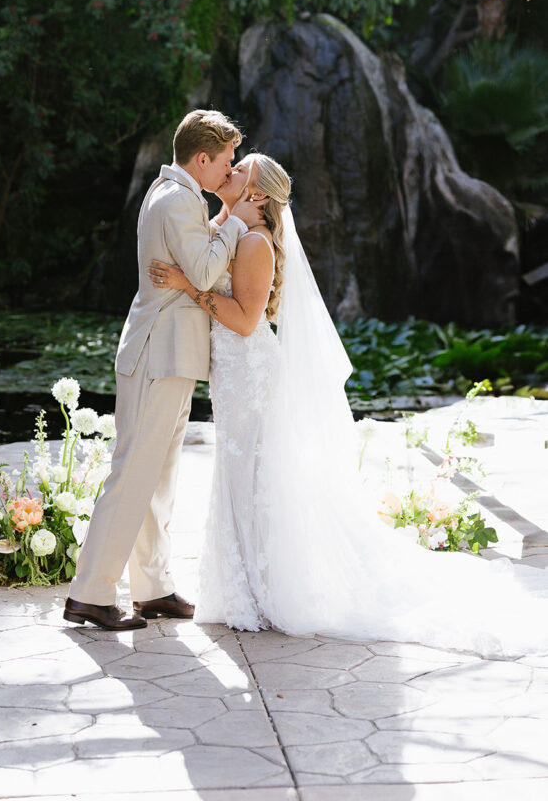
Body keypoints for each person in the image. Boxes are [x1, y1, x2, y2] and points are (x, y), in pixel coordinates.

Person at [149, 152, 548, 657]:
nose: (227, 174)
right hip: (232, 376)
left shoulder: (253, 242)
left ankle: (270, 587)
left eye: (238, 171)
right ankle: (243, 585)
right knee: (239, 474)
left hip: (251, 374)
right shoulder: (227, 225)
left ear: (256, 195)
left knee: (255, 475)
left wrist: (188, 286)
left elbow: (247, 321)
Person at [64, 110, 265, 630]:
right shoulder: (178, 200)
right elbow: (201, 271)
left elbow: (194, 267)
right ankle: (91, 593)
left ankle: (151, 589)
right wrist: (239, 220)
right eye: (226, 161)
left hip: (167, 353)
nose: (230, 170)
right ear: (202, 158)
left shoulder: (176, 194)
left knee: (157, 477)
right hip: (160, 354)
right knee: (134, 473)